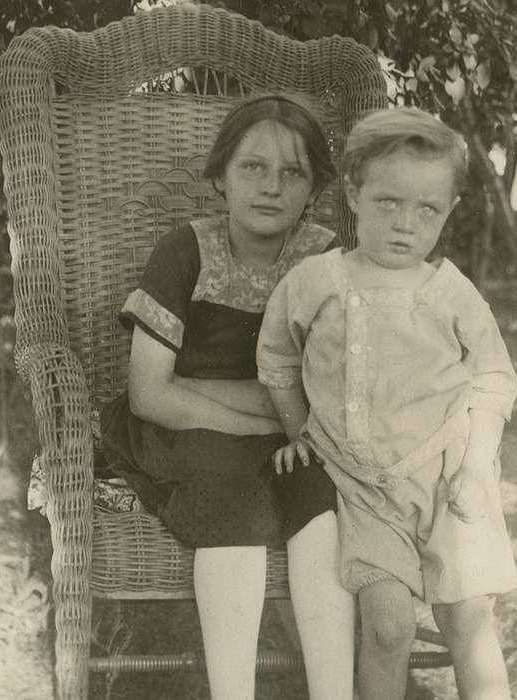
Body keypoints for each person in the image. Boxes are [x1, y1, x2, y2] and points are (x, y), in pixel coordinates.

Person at [257, 106, 517, 700]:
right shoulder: (315, 281)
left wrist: (477, 465)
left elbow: (494, 378)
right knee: (386, 626)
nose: (405, 224)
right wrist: (298, 431)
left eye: (427, 209)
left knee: (469, 624)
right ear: (354, 193)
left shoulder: (449, 290)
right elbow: (275, 359)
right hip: (361, 490)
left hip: (449, 477)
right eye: (388, 203)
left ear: (450, 209)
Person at [100, 94, 355, 700]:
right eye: (252, 167)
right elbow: (150, 394)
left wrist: (280, 414)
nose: (271, 186)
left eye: (292, 172)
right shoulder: (185, 250)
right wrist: (269, 410)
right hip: (181, 433)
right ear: (219, 177)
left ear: (316, 188)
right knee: (231, 499)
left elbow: (326, 398)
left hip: (286, 434)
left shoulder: (323, 262)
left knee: (319, 500)